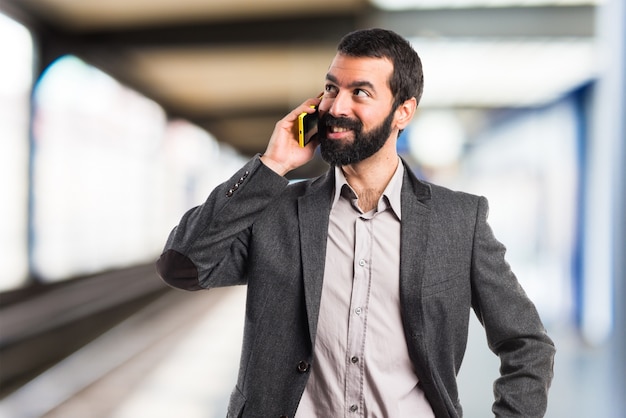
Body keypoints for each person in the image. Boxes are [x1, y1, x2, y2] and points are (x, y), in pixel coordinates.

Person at [156, 28, 555, 418]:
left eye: (359, 93)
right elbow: (182, 266)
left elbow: (527, 343)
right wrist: (272, 166)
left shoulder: (458, 222)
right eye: (331, 89)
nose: (335, 107)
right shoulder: (275, 210)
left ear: (403, 111)